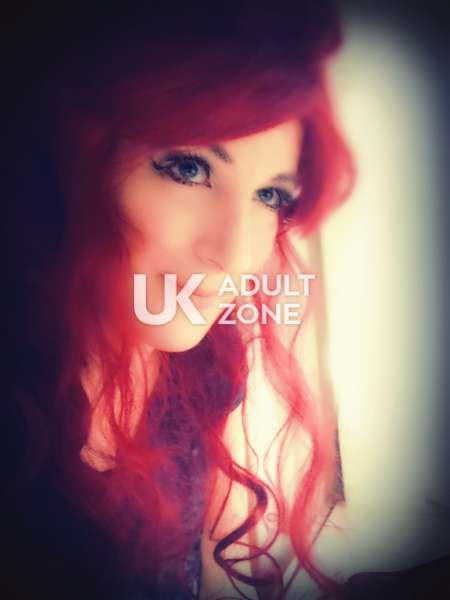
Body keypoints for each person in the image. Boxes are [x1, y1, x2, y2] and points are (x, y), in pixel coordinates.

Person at [7, 2, 448, 599]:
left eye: (270, 195)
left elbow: (214, 563)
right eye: (188, 168)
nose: (237, 255)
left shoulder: (203, 359)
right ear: (74, 159)